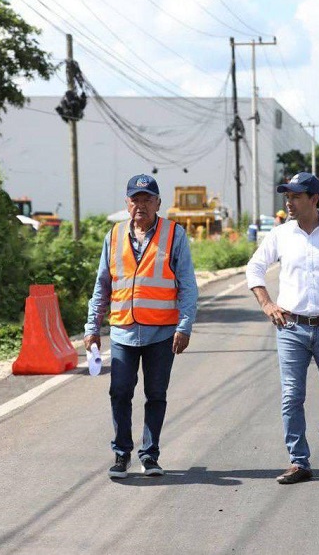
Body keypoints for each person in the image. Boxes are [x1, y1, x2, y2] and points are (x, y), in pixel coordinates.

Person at [246, 172, 319, 485]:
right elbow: (254, 268)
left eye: (296, 196)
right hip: (291, 329)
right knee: (291, 396)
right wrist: (268, 304)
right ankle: (299, 461)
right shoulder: (281, 234)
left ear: (314, 199)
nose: (289, 202)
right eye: (288, 196)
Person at [84, 174, 199, 479]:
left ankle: (150, 455)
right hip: (122, 330)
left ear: (158, 203)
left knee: (155, 394)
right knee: (119, 391)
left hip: (162, 331)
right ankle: (121, 455)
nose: (141, 205)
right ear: (127, 203)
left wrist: (184, 326)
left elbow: (187, 285)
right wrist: (91, 327)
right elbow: (102, 285)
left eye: (147, 199)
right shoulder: (114, 235)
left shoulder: (174, 234)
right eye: (135, 199)